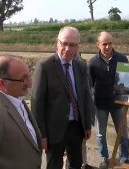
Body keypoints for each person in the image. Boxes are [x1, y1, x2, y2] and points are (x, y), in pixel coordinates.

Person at [31, 26, 93, 169]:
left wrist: (87, 124)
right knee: (54, 164)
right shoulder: (44, 66)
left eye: (72, 45)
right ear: (57, 43)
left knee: (76, 162)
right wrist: (42, 134)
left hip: (77, 126)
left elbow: (85, 97)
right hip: (54, 129)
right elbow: (37, 103)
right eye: (64, 43)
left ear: (78, 46)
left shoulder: (81, 66)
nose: (67, 48)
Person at [0, 55, 42, 169]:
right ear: (2, 84)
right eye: (23, 79)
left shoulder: (15, 95)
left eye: (29, 76)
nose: (29, 83)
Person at [88, 31, 129, 168]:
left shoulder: (122, 59)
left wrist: (127, 98)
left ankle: (124, 157)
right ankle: (104, 158)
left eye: (110, 43)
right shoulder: (92, 62)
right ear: (98, 45)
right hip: (100, 105)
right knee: (101, 133)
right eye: (104, 44)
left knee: (122, 131)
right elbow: (90, 84)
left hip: (118, 104)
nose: (107, 47)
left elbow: (127, 80)